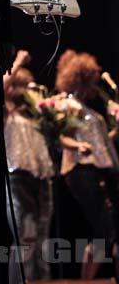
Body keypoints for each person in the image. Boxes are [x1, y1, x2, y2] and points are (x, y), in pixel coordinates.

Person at [56, 49, 119, 280]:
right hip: (83, 170)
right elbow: (59, 137)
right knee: (104, 228)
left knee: (112, 228)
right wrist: (76, 146)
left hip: (103, 168)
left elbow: (101, 143)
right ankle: (86, 281)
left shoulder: (90, 111)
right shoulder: (70, 106)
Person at [2, 50, 55, 283]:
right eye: (21, 86)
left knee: (43, 237)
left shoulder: (37, 118)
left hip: (42, 179)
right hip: (18, 179)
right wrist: (17, 63)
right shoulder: (6, 113)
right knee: (26, 236)